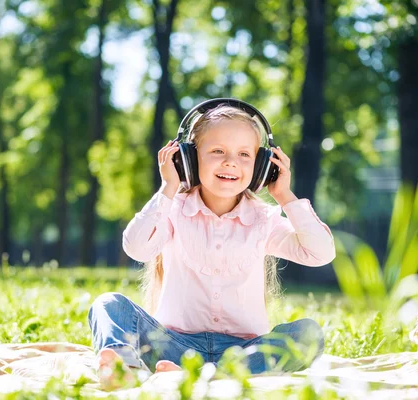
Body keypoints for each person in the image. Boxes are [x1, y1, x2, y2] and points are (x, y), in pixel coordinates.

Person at [88, 99, 335, 390]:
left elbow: (321, 253)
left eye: (245, 154)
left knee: (308, 334)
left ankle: (215, 374)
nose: (231, 161)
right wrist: (168, 187)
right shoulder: (172, 210)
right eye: (217, 151)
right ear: (188, 159)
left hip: (244, 352)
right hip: (174, 347)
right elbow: (136, 247)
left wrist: (285, 196)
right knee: (107, 304)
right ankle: (122, 368)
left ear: (261, 167)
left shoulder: (264, 220)